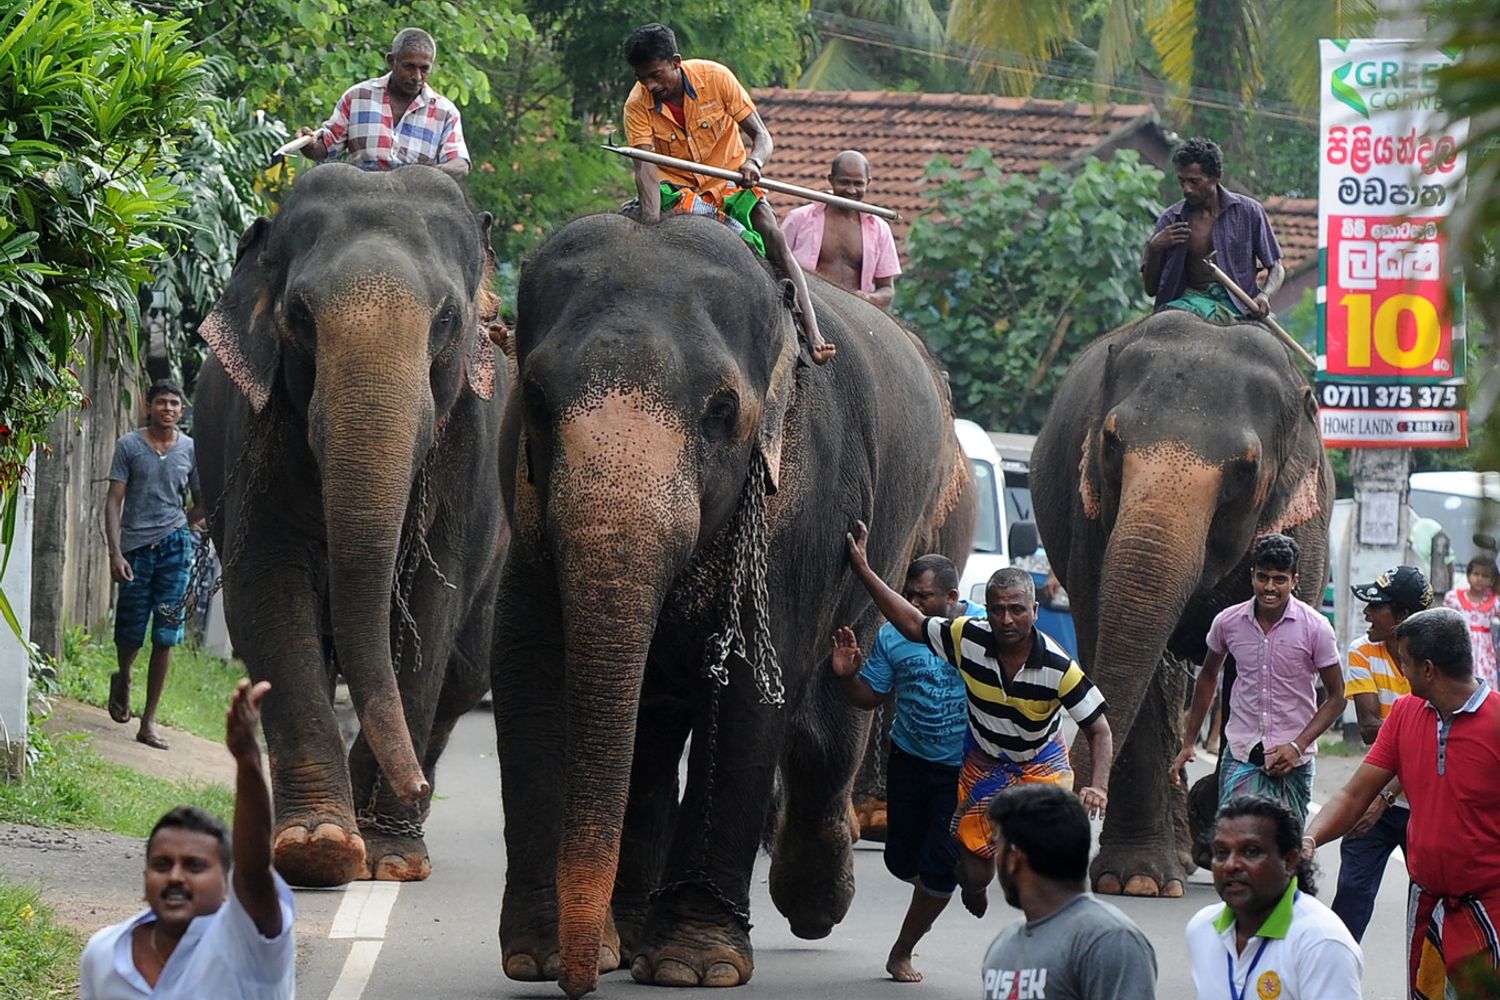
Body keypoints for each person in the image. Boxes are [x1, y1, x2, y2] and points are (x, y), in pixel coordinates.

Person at [844, 522, 1112, 919]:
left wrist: (1099, 787)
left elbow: (1099, 728)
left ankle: (1056, 924)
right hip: (982, 763)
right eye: (999, 610)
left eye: (1017, 610)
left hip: (1041, 765)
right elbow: (913, 624)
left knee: (1045, 859)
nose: (1007, 620)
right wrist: (864, 571)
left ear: (1034, 612)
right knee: (969, 871)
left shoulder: (1059, 666)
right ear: (988, 611)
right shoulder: (966, 638)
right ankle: (973, 886)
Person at [1304, 608, 1500, 1000]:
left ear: (1428, 669)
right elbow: (1354, 794)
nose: (1400, 670)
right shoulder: (1406, 714)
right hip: (1428, 903)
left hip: (1489, 909)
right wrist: (1310, 840)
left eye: (1404, 661)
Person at [621, 22, 835, 364]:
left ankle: (814, 332)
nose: (650, 85)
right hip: (678, 191)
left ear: (676, 62)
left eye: (656, 75)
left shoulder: (716, 78)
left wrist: (755, 163)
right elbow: (645, 168)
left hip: (732, 184)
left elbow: (762, 137)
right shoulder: (636, 105)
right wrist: (652, 224)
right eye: (642, 78)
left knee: (773, 236)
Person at [79, 680, 295, 999]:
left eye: (194, 866)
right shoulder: (103, 955)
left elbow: (254, 872)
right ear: (145, 877)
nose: (175, 877)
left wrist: (248, 760)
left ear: (226, 885)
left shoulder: (248, 944)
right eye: (162, 865)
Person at [829, 554, 981, 983]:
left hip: (963, 770)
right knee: (899, 860)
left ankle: (902, 950)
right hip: (910, 760)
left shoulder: (981, 631)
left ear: (952, 597)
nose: (912, 602)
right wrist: (846, 676)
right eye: (909, 593)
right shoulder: (891, 636)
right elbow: (870, 696)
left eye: (923, 596)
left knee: (939, 865)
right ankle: (954, 873)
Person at [1170, 533, 1344, 820]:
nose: (1270, 587)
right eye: (1263, 577)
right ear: (1252, 576)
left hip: (1293, 763)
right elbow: (1209, 675)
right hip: (1240, 755)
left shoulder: (1317, 629)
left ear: (1294, 581)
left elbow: (1337, 698)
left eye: (1280, 579)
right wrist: (1189, 741)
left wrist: (1296, 746)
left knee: (1285, 855)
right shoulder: (1228, 622)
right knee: (1236, 843)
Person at [1330, 565, 1432, 940]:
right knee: (1351, 896)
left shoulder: (1432, 661)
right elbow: (1371, 730)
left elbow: (1431, 740)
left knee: (1427, 906)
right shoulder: (1363, 651)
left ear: (1402, 617)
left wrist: (1386, 796)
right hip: (1377, 793)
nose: (1367, 612)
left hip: (1422, 804)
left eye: (1377, 605)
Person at [981, 784, 1157, 1000]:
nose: (994, 855)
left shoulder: (1108, 940)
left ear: (1013, 859)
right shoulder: (1004, 944)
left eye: (997, 844)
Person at [1186, 796, 1362, 1000]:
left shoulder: (1323, 943)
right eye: (1221, 852)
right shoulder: (1202, 929)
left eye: (1251, 851)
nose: (1231, 865)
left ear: (1289, 862)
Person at [105, 379, 201, 751]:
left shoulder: (190, 449)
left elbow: (203, 500)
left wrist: (179, 525)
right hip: (135, 550)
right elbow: (114, 501)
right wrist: (116, 552)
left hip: (175, 551)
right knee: (130, 628)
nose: (168, 409)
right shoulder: (129, 446)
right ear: (149, 406)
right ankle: (124, 675)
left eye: (175, 404)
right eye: (162, 402)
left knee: (166, 634)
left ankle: (148, 722)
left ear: (182, 410)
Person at [1142, 136, 1284, 323]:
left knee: (1272, 349)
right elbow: (1150, 289)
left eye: (1194, 182)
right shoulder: (1170, 219)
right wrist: (1154, 248)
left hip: (1241, 305)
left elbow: (1277, 268)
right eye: (1182, 181)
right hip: (1186, 304)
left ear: (1216, 177)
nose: (1187, 190)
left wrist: (1264, 295)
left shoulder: (1249, 211)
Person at [298, 28, 469, 176]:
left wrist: (423, 176)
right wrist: (309, 145)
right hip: (360, 196)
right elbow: (325, 148)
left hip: (415, 201)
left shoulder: (445, 112)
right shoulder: (357, 97)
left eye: (424, 69)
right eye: (409, 67)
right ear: (391, 61)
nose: (417, 77)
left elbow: (459, 165)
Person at [781, 150, 901, 310]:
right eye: (844, 182)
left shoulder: (879, 228)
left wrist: (868, 298)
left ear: (868, 183)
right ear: (831, 180)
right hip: (805, 312)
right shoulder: (798, 219)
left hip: (855, 318)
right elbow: (774, 267)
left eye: (858, 184)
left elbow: (887, 290)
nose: (851, 191)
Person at [1443, 554, 1499, 687]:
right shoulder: (1454, 598)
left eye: (1485, 576)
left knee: (1485, 685)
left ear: (1491, 581)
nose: (1479, 579)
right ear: (1468, 575)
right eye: (1476, 574)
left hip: (1485, 654)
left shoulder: (1495, 602)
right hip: (1461, 646)